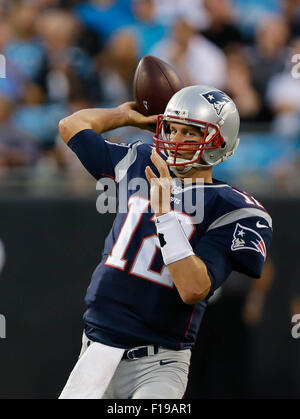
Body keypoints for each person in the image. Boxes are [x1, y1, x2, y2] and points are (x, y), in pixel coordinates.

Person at [58, 85, 273, 399]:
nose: (175, 139)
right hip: (96, 348)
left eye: (190, 133)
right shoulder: (141, 161)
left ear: (219, 142)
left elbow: (193, 288)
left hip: (158, 363)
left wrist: (164, 213)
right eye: (172, 128)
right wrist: (123, 116)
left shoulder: (233, 208)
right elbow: (72, 126)